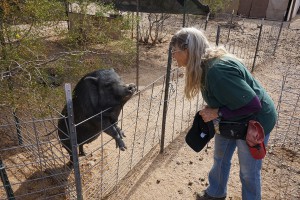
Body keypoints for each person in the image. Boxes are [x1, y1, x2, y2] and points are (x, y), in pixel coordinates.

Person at [170, 27, 277, 200]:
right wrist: (216, 109)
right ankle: (216, 192)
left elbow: (253, 104)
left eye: (175, 51)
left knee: (248, 172)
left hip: (254, 121)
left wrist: (216, 112)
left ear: (187, 50)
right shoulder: (204, 67)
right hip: (230, 119)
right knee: (220, 157)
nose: (173, 55)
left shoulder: (217, 71)